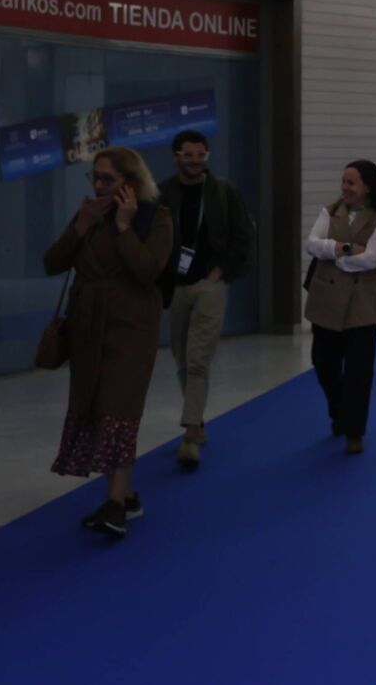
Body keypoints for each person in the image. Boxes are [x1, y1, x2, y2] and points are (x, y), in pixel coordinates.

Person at [44, 146, 174, 538]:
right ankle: (127, 495)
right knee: (98, 409)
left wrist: (123, 227)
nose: (99, 185)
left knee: (120, 412)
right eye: (94, 177)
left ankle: (116, 503)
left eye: (107, 179)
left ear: (130, 183)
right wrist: (80, 226)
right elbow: (52, 263)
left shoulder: (156, 217)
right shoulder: (88, 215)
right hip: (88, 327)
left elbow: (149, 270)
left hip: (131, 328)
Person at [157, 130, 256, 469]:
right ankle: (197, 419)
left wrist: (219, 273)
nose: (195, 161)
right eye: (189, 155)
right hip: (177, 287)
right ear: (176, 156)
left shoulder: (223, 192)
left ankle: (189, 434)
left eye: (201, 155)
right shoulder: (163, 193)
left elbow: (244, 237)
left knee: (198, 359)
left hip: (210, 285)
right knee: (182, 359)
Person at [304, 160, 376, 454]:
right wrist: (343, 249)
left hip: (362, 305)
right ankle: (338, 408)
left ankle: (354, 430)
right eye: (343, 181)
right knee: (323, 362)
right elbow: (312, 244)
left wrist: (335, 258)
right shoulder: (329, 211)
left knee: (359, 371)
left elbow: (372, 259)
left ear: (368, 186)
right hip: (326, 301)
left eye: (351, 182)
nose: (345, 187)